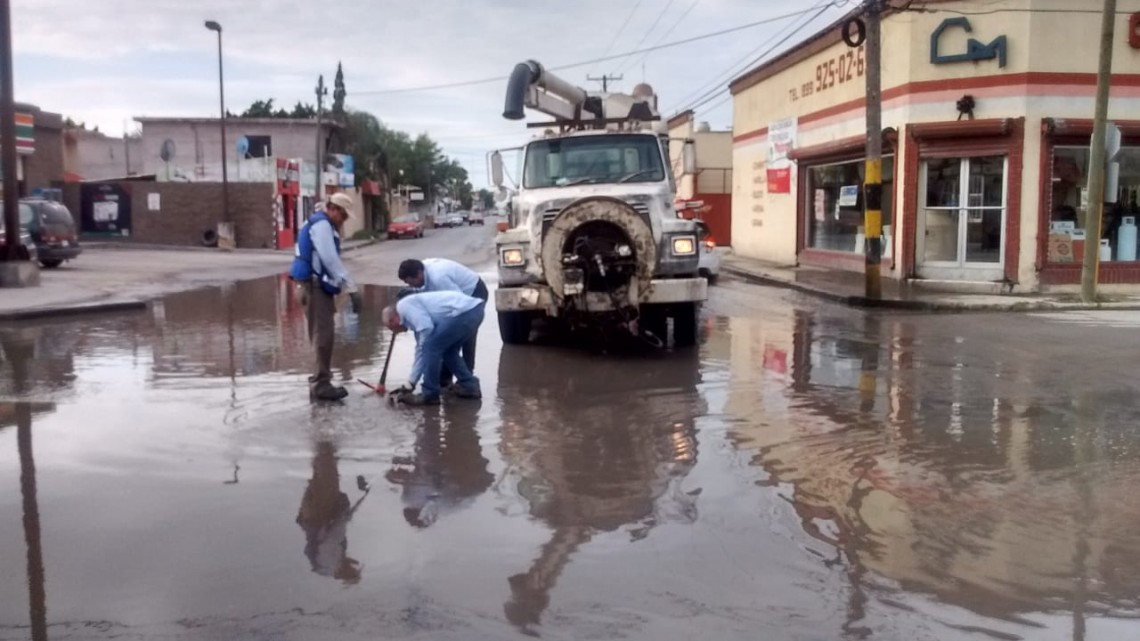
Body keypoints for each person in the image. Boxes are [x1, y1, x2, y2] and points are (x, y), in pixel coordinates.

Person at [289, 192, 362, 401]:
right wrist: (351, 287)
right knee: (323, 336)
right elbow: (329, 259)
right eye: (343, 215)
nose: (344, 220)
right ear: (333, 209)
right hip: (314, 287)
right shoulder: (322, 225)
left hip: (312, 285)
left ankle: (320, 381)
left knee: (322, 334)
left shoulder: (319, 222)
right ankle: (321, 383)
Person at [381, 289, 485, 406]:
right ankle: (470, 386)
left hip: (465, 312)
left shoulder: (403, 306)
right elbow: (420, 350)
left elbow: (427, 331)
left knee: (430, 347)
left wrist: (425, 348)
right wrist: (410, 383)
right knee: (448, 351)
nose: (395, 332)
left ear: (392, 319)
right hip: (475, 311)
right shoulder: (414, 319)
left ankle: (430, 394)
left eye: (391, 327)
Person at [397, 258, 489, 387]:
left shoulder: (439, 278)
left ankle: (465, 378)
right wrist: (415, 292)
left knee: (463, 336)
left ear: (418, 274)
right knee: (445, 340)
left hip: (473, 291)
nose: (411, 286)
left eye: (411, 283)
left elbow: (458, 303)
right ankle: (447, 379)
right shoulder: (422, 271)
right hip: (459, 297)